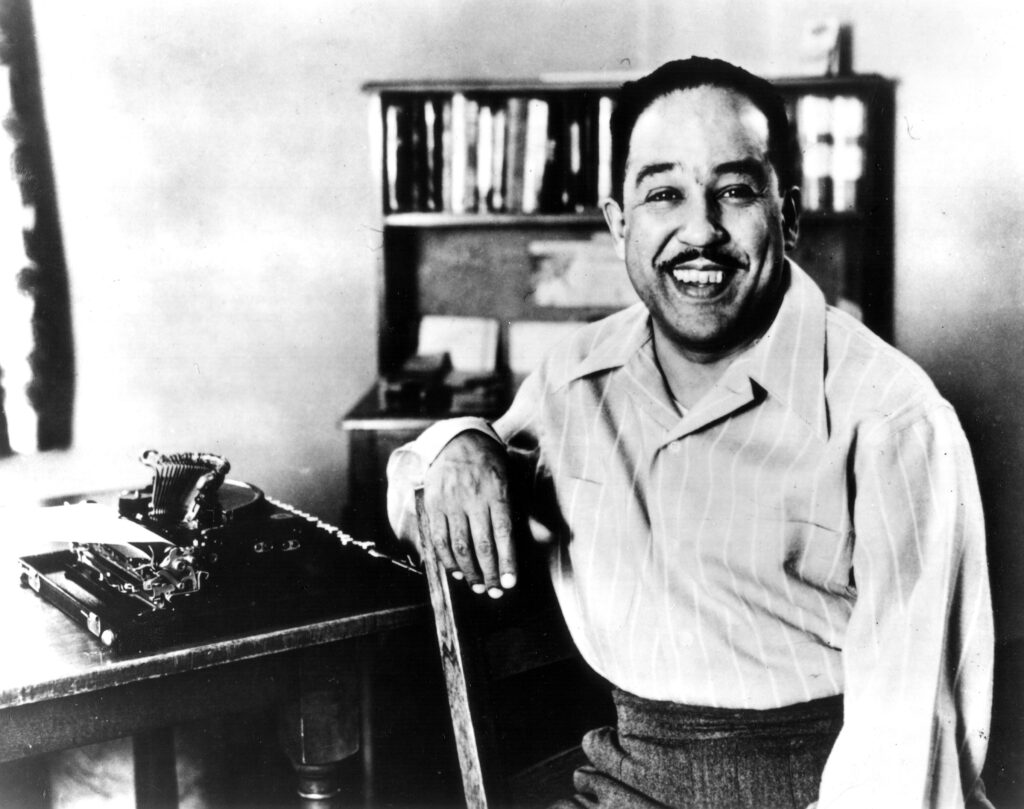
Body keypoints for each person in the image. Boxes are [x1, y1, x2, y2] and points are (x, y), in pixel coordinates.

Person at [387, 57, 993, 809]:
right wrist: (456, 446)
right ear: (619, 223)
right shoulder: (576, 379)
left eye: (735, 191)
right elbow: (421, 503)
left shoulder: (894, 417)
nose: (700, 230)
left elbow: (906, 742)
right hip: (625, 778)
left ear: (788, 215)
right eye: (664, 194)